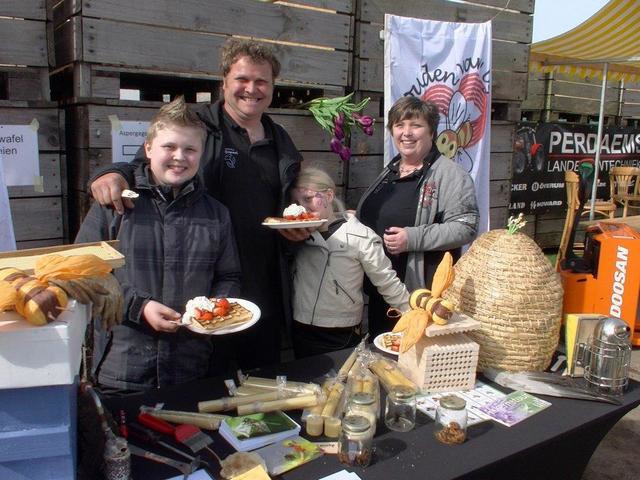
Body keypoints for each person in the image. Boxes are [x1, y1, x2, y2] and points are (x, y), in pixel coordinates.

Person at [88, 39, 308, 369]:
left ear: (273, 86)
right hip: (201, 282)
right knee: (209, 377)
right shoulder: (199, 125)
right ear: (224, 82)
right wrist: (111, 173)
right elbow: (147, 163)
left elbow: (290, 201)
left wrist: (298, 231)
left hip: (262, 283)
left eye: (261, 81)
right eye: (242, 79)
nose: (252, 89)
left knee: (259, 376)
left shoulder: (280, 140)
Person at [75, 96, 241, 396]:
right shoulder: (115, 205)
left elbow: (228, 275)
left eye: (190, 149)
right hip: (123, 368)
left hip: (190, 365)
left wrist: (215, 310)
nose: (179, 156)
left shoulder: (216, 214)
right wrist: (139, 307)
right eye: (169, 147)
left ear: (202, 154)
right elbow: (83, 273)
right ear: (149, 148)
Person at [357, 96, 479, 339]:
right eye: (399, 125)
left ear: (431, 131)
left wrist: (411, 238)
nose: (406, 133)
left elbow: (465, 226)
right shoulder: (391, 170)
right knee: (384, 350)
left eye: (416, 125)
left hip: (420, 293)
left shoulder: (450, 175)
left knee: (412, 353)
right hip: (385, 288)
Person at [289, 167, 410, 358]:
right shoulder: (297, 235)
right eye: (297, 202)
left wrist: (412, 314)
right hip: (301, 327)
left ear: (329, 195)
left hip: (340, 331)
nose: (303, 208)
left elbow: (387, 281)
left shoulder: (360, 236)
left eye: (308, 199)